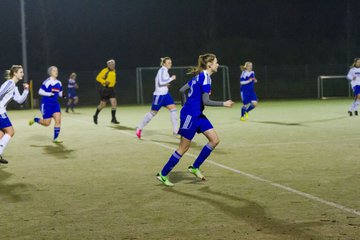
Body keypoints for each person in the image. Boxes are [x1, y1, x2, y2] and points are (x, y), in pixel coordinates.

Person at [156, 53, 234, 186]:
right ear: (209, 65)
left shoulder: (201, 76)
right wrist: (223, 103)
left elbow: (182, 90)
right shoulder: (205, 78)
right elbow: (206, 101)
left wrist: (184, 103)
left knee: (214, 140)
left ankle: (194, 167)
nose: (218, 64)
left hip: (197, 114)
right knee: (183, 147)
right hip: (190, 116)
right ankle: (163, 174)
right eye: (216, 62)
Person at [136, 57, 178, 139]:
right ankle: (139, 128)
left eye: (171, 62)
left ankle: (176, 130)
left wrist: (167, 84)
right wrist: (171, 78)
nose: (170, 64)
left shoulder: (165, 71)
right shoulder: (162, 70)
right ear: (164, 64)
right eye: (168, 63)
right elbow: (161, 82)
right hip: (159, 95)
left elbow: (162, 82)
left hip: (165, 94)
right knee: (153, 113)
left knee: (173, 109)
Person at [0, 65, 29, 164]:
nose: (23, 74)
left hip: (1, 111)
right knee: (10, 132)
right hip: (0, 111)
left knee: (1, 134)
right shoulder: (9, 83)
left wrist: (26, 91)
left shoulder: (14, 87)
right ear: (15, 73)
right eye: (21, 72)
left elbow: (20, 100)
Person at [29, 66, 64, 143]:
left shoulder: (59, 82)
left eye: (57, 70)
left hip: (55, 105)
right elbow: (40, 91)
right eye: (54, 70)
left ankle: (55, 138)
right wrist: (49, 94)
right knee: (47, 123)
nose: (56, 72)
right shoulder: (47, 81)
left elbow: (60, 93)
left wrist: (64, 95)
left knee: (58, 121)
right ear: (50, 72)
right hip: (46, 104)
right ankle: (36, 119)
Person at [93, 59, 119, 124]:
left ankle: (113, 118)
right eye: (111, 64)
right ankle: (95, 115)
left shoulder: (114, 71)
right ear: (108, 65)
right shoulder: (105, 70)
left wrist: (114, 82)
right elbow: (98, 78)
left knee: (114, 104)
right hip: (105, 89)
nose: (113, 65)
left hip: (112, 89)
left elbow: (112, 78)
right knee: (103, 105)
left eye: (114, 64)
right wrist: (104, 82)